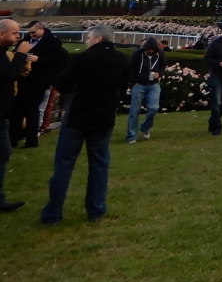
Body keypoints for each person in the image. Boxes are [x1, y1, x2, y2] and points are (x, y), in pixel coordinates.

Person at [40, 24, 129, 226]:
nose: (87, 41)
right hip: (104, 118)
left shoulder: (83, 58)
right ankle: (96, 210)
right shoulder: (122, 60)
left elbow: (62, 83)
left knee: (63, 165)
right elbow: (123, 87)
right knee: (99, 165)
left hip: (77, 117)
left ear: (98, 39)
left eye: (88, 38)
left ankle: (53, 213)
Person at [11, 21, 66, 149]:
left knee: (32, 111)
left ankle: (31, 141)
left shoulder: (52, 42)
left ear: (41, 29)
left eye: (34, 32)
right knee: (16, 112)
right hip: (22, 80)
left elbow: (58, 59)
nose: (31, 35)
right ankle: (13, 139)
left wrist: (38, 59)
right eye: (29, 33)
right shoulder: (26, 40)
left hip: (38, 82)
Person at [0, 20, 33, 212]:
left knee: (4, 153)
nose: (18, 37)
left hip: (3, 115)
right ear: (2, 34)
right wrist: (21, 54)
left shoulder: (4, 53)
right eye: (14, 34)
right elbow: (6, 75)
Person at [125, 37, 165, 143]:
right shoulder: (137, 54)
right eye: (148, 49)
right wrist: (134, 82)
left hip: (154, 84)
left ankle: (145, 128)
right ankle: (131, 136)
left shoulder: (160, 54)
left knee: (154, 108)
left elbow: (163, 67)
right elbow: (130, 68)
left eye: (152, 50)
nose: (150, 51)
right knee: (134, 111)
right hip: (139, 84)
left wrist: (159, 74)